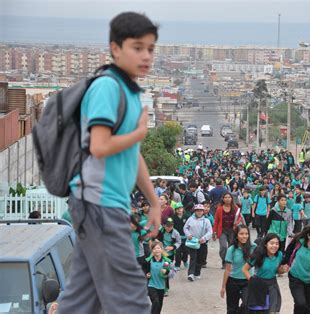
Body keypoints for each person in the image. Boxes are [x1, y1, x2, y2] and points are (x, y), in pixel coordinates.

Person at [57, 12, 161, 314]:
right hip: (98, 204)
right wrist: (139, 132)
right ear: (115, 49)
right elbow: (100, 146)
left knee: (80, 301)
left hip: (101, 204)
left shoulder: (128, 92)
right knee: (133, 301)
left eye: (151, 49)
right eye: (137, 47)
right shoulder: (108, 87)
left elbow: (133, 154)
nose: (146, 56)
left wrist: (153, 201)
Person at [242, 233, 289, 313]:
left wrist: (282, 270)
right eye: (271, 243)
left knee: (272, 311)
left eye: (277, 244)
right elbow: (244, 269)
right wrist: (252, 282)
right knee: (260, 311)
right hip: (259, 286)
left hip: (272, 286)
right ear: (265, 244)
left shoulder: (279, 255)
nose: (274, 246)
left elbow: (277, 270)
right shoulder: (258, 255)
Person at [283, 225, 310, 314]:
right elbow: (288, 251)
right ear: (308, 236)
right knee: (300, 303)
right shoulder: (298, 242)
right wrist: (284, 264)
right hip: (295, 278)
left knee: (308, 308)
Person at [220, 225, 257, 314]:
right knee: (231, 309)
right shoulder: (231, 250)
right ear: (236, 235)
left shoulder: (253, 247)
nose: (244, 236)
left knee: (247, 305)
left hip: (248, 281)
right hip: (233, 282)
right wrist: (223, 287)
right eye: (241, 234)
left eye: (246, 234)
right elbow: (227, 270)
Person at [213, 192, 245, 269]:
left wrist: (236, 223)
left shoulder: (235, 208)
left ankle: (229, 262)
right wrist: (214, 232)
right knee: (223, 247)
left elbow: (240, 217)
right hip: (222, 230)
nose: (227, 199)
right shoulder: (219, 209)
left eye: (229, 197)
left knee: (231, 247)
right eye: (226, 197)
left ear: (231, 199)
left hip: (232, 230)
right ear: (223, 199)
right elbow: (216, 221)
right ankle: (224, 261)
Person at [184, 204, 212, 281]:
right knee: (193, 257)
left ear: (203, 212)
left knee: (200, 258)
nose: (199, 212)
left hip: (202, 243)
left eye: (201, 211)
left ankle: (197, 272)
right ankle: (191, 273)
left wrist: (204, 238)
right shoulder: (190, 219)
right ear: (195, 211)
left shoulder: (206, 221)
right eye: (197, 211)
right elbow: (185, 228)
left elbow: (209, 231)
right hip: (192, 242)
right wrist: (188, 234)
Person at [146, 240, 171, 314]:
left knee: (159, 307)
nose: (157, 250)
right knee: (156, 302)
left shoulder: (166, 261)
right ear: (152, 250)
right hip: (151, 285)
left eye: (158, 248)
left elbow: (171, 273)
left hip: (161, 286)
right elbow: (144, 271)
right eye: (154, 249)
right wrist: (146, 274)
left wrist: (166, 271)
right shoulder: (148, 261)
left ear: (161, 249)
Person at [172, 202, 190, 269]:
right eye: (177, 209)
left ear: (183, 209)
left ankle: (185, 261)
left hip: (185, 237)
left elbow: (189, 226)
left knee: (186, 251)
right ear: (175, 210)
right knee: (177, 252)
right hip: (177, 238)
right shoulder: (173, 217)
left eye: (180, 208)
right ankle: (177, 265)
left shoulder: (187, 216)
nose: (179, 210)